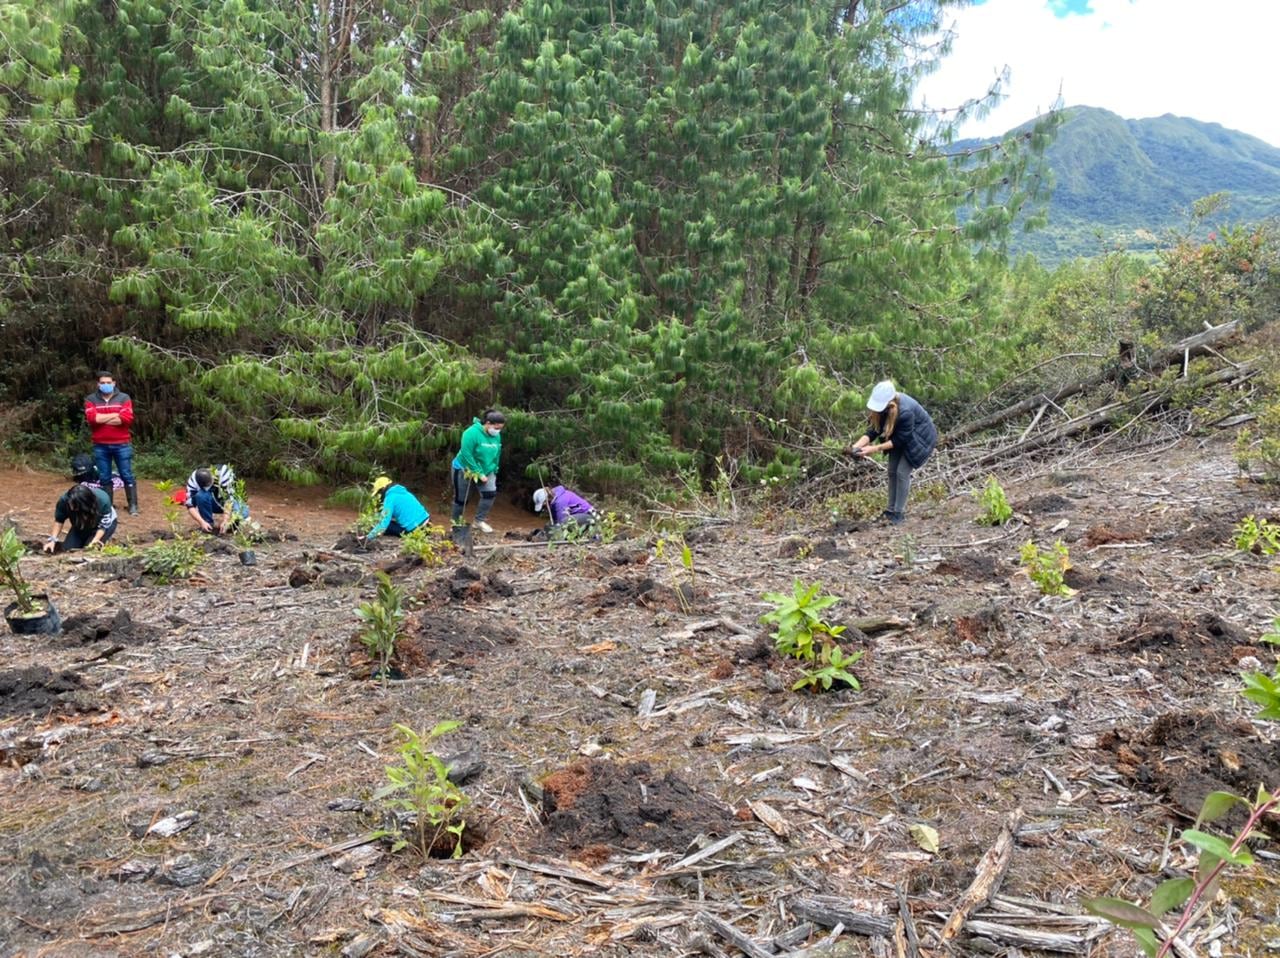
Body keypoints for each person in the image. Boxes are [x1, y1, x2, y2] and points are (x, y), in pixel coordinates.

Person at [848, 380, 937, 525]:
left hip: (920, 438)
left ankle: (898, 513)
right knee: (891, 471)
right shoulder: (882, 410)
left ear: (890, 403)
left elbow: (901, 440)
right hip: (900, 436)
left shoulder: (905, 411)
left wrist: (873, 449)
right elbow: (873, 431)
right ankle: (890, 511)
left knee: (902, 472)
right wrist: (855, 447)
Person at [84, 370, 139, 515]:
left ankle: (133, 506)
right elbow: (92, 419)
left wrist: (102, 417)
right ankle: (108, 506)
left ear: (114, 383)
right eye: (103, 383)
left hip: (122, 444)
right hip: (100, 445)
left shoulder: (124, 398)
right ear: (98, 384)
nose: (106, 385)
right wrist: (115, 414)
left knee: (126, 475)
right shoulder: (91, 399)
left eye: (109, 382)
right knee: (104, 477)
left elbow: (126, 419)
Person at [450, 409, 504, 533]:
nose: (498, 431)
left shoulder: (496, 436)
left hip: (487, 469)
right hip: (464, 468)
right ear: (488, 423)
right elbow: (466, 454)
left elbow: (497, 452)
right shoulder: (471, 433)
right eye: (496, 428)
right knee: (461, 499)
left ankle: (479, 521)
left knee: (490, 493)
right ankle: (455, 523)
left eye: (500, 428)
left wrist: (495, 468)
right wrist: (478, 472)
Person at [43, 483, 118, 553]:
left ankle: (105, 540)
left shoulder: (103, 500)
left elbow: (103, 526)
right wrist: (52, 540)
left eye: (75, 506)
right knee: (69, 550)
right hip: (80, 524)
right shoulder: (64, 501)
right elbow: (59, 521)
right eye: (71, 505)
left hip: (102, 525)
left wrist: (95, 540)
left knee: (89, 550)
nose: (71, 508)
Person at [185, 464, 249, 534]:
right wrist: (202, 522)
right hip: (212, 502)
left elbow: (229, 499)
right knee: (201, 495)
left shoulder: (224, 474)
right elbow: (190, 505)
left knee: (243, 513)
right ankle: (208, 525)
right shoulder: (193, 480)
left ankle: (232, 526)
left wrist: (225, 520)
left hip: (230, 500)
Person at [365, 476, 429, 542]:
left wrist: (368, 537)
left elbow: (384, 523)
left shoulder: (390, 497)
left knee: (386, 524)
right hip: (428, 526)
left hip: (415, 530)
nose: (380, 495)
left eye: (379, 492)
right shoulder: (404, 492)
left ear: (383, 489)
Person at [533, 484, 598, 537]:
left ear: (547, 500)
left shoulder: (560, 501)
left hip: (589, 517)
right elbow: (554, 521)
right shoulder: (554, 498)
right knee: (550, 524)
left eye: (544, 506)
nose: (544, 508)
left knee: (563, 523)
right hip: (578, 517)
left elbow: (561, 523)